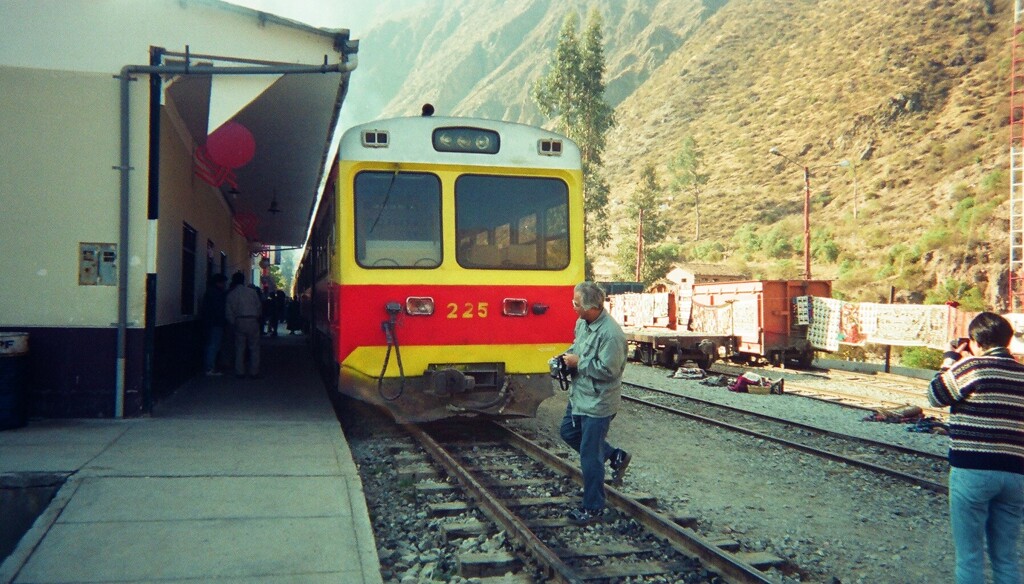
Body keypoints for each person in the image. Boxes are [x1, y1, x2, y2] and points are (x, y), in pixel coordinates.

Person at [928, 312, 1024, 584]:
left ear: (975, 342)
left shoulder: (971, 368)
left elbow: (935, 395)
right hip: (1016, 474)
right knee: (1006, 558)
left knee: (970, 558)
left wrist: (949, 361)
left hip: (973, 471)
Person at [558, 281, 630, 525]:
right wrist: (565, 359)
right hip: (581, 396)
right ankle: (615, 455)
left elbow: (610, 371)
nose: (573, 307)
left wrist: (578, 363)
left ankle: (594, 508)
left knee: (590, 456)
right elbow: (578, 348)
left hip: (599, 402)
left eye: (575, 304)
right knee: (568, 432)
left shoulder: (611, 335)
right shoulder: (583, 323)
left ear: (590, 307)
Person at [225, 272, 263, 379]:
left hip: (239, 321)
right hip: (252, 320)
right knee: (254, 347)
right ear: (243, 280)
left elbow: (228, 311)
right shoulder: (252, 292)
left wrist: (233, 322)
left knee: (239, 347)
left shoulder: (231, 294)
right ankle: (254, 372)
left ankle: (239, 372)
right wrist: (257, 317)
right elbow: (259, 306)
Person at [200, 274, 228, 376]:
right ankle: (209, 368)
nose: (224, 285)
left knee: (210, 345)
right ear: (219, 282)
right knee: (213, 345)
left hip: (210, 322)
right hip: (216, 323)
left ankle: (209, 367)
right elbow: (218, 309)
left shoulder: (210, 292)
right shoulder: (217, 294)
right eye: (223, 282)